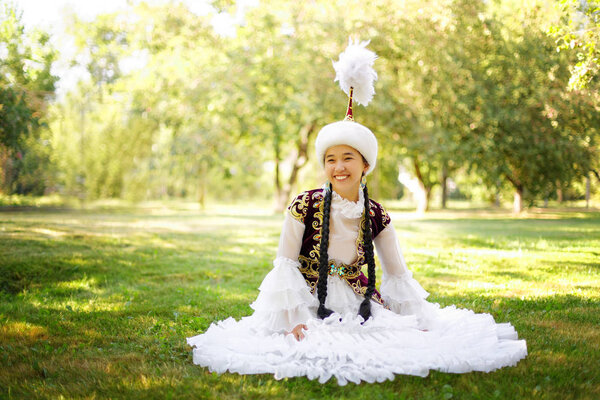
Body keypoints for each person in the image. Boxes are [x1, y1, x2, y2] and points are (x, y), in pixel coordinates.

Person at [186, 39, 527, 385]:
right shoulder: (304, 205)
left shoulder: (376, 215)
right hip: (307, 296)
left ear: (365, 165)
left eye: (348, 158)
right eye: (331, 160)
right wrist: (292, 319)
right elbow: (285, 265)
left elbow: (396, 272)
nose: (338, 167)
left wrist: (412, 314)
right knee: (301, 343)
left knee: (391, 339)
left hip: (356, 297)